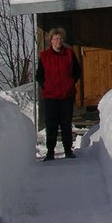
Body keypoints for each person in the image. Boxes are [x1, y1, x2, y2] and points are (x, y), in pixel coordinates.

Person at [36, 27, 81, 161]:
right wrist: (47, 85)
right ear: (51, 40)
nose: (58, 41)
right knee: (51, 124)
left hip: (67, 95)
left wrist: (70, 82)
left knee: (66, 123)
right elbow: (39, 75)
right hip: (50, 96)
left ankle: (68, 150)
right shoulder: (44, 56)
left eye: (61, 39)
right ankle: (50, 152)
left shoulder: (69, 54)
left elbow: (77, 72)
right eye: (56, 39)